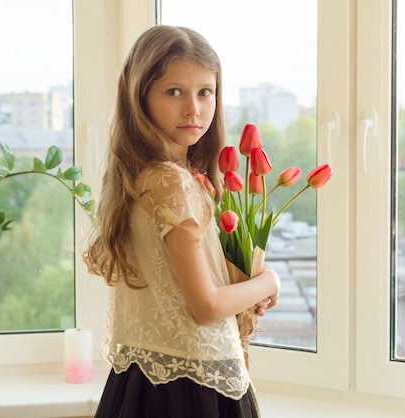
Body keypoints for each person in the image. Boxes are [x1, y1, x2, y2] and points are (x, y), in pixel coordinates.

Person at [83, 25, 280, 418]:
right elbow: (205, 307)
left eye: (205, 91)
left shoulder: (139, 177)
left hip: (138, 384)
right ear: (140, 98)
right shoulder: (173, 183)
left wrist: (241, 282)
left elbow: (177, 286)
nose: (193, 108)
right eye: (174, 91)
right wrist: (267, 282)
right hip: (191, 390)